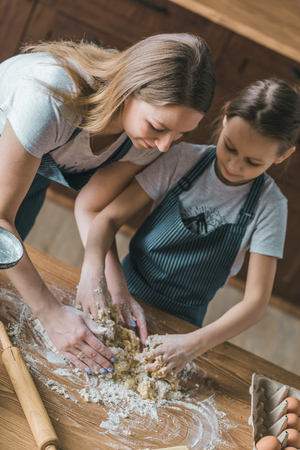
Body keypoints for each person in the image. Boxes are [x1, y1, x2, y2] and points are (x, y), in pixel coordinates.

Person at [0, 33, 216, 374]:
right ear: (129, 90)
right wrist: (52, 316)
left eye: (178, 135)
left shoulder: (145, 140)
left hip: (31, 172)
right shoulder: (52, 97)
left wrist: (109, 279)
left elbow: (93, 207)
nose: (163, 147)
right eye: (158, 128)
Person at [76, 78, 300, 376]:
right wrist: (102, 275)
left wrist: (193, 343)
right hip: (122, 291)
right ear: (224, 120)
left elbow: (256, 303)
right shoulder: (181, 160)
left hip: (182, 325)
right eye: (229, 146)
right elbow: (106, 219)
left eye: (253, 162)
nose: (234, 165)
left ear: (282, 156)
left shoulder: (270, 207)